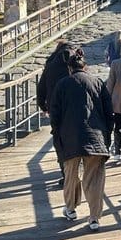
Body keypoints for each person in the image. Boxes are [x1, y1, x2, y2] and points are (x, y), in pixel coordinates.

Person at [50, 49, 113, 232]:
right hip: (95, 136)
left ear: (70, 69)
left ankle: (70, 208)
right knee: (95, 178)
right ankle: (94, 217)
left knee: (70, 174)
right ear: (85, 67)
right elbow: (109, 112)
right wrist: (107, 134)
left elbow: (55, 115)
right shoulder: (97, 82)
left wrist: (57, 134)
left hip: (70, 137)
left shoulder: (62, 84)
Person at [37, 39, 75, 186]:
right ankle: (77, 169)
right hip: (74, 106)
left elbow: (41, 87)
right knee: (76, 136)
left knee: (59, 139)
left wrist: (43, 106)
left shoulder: (51, 63)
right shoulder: (76, 59)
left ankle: (65, 173)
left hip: (55, 107)